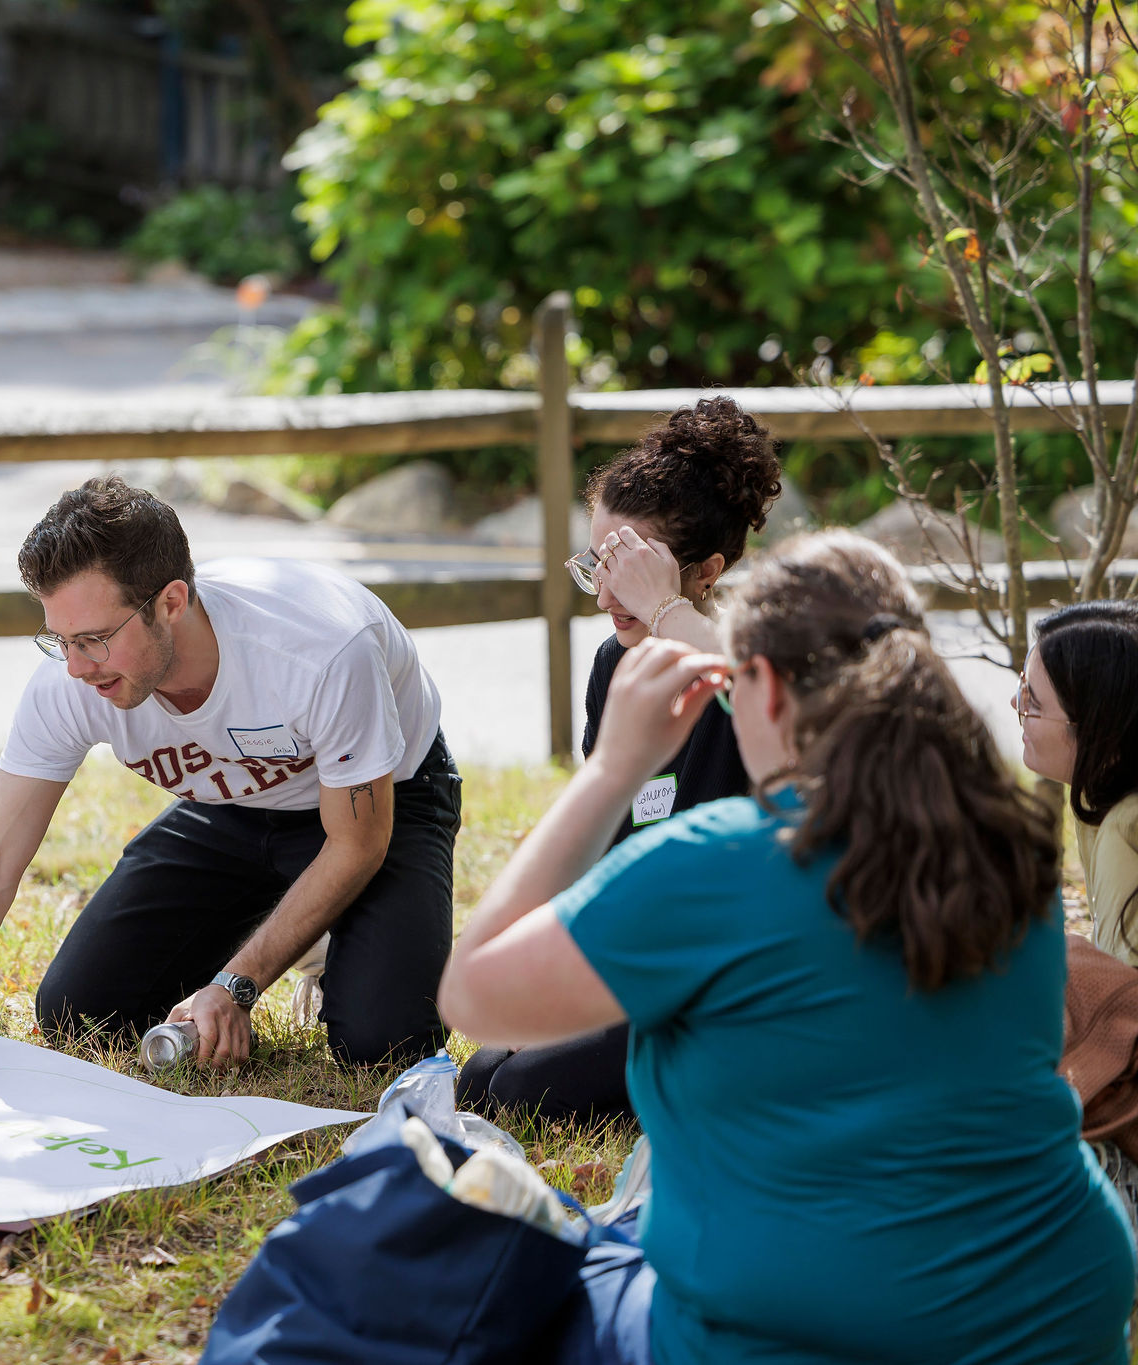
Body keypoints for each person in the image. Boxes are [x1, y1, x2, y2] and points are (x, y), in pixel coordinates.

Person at [438, 531, 1133, 1364]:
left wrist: (614, 769)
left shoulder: (719, 858)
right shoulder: (1003, 851)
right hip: (1060, 1305)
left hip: (805, 1329)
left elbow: (471, 993)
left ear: (759, 688)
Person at [0, 476, 461, 1084]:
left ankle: (326, 948)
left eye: (96, 640)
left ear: (171, 603)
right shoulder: (71, 679)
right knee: (82, 1013)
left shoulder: (319, 651)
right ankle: (293, 922)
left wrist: (236, 983)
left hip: (385, 798)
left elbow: (359, 843)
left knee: (385, 1042)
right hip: (231, 804)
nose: (76, 668)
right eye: (60, 639)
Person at [456, 396, 780, 1122]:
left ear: (706, 572)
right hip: (647, 964)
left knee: (517, 1093)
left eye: (631, 569)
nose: (605, 594)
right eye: (597, 562)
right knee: (482, 1072)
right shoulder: (616, 663)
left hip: (732, 983)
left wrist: (668, 616)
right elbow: (608, 844)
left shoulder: (757, 666)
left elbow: (778, 721)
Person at [1014, 600, 1138, 964]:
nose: (1014, 703)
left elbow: (1127, 1001)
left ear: (1101, 733)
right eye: (1023, 686)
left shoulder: (1125, 830)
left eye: (1033, 704)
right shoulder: (1106, 798)